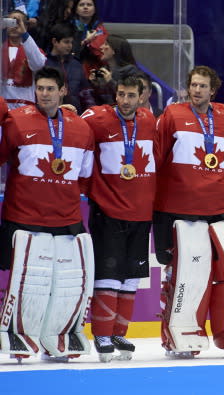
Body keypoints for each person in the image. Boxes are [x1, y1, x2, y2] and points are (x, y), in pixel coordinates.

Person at [154, 66, 224, 359]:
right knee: (183, 277)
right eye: (193, 85)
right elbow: (157, 157)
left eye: (202, 86)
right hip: (178, 209)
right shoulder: (173, 116)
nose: (196, 91)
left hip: (218, 209)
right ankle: (175, 334)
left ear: (213, 90)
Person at [0, 67, 94, 361]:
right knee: (24, 283)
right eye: (39, 88)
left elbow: (86, 173)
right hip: (23, 216)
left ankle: (56, 335)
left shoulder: (81, 128)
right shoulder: (15, 121)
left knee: (62, 286)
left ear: (63, 91)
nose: (44, 94)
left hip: (66, 218)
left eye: (50, 89)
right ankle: (16, 334)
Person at [82, 75, 156, 362]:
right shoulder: (97, 119)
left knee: (131, 278)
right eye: (121, 94)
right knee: (109, 274)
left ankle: (118, 332)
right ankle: (101, 333)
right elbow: (72, 127)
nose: (125, 101)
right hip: (109, 211)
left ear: (142, 96)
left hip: (141, 211)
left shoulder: (149, 121)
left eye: (131, 95)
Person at [1, 9, 47, 109]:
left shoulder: (33, 49)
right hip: (2, 107)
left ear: (25, 26)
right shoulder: (1, 48)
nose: (15, 26)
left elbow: (38, 64)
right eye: (11, 22)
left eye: (18, 22)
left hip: (24, 107)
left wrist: (24, 34)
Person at [45, 22, 91, 113]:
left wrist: (88, 113)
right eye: (66, 42)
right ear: (54, 41)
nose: (70, 46)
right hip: (49, 115)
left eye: (71, 42)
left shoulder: (76, 64)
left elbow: (86, 94)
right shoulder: (44, 63)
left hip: (75, 115)